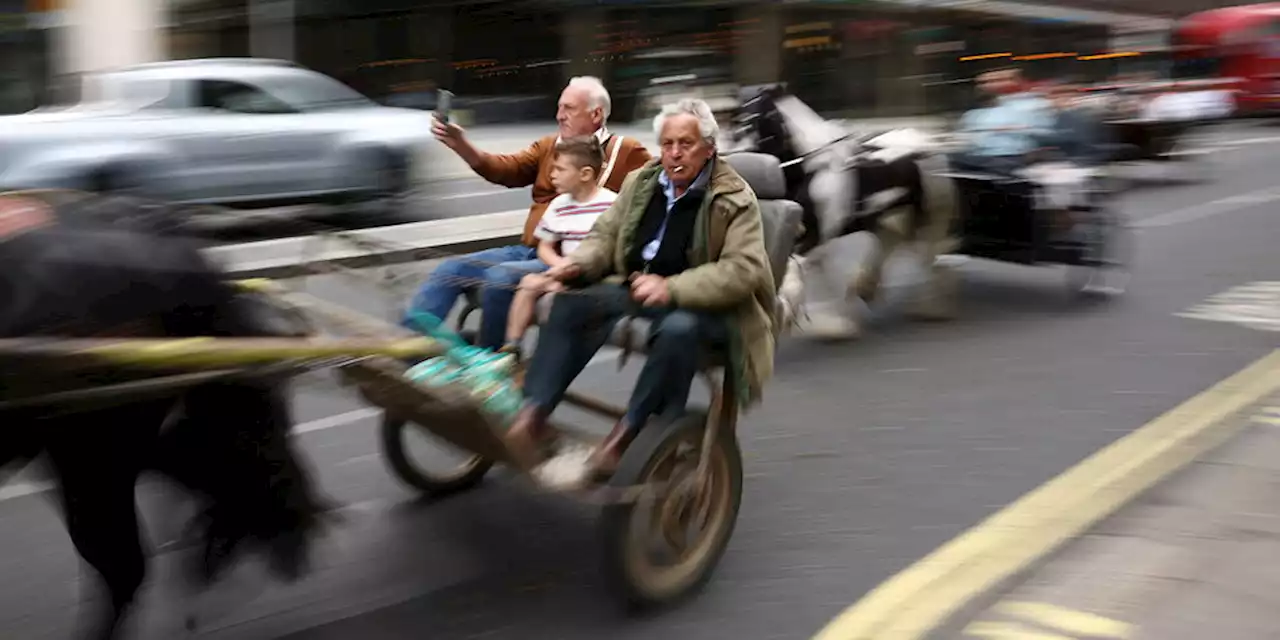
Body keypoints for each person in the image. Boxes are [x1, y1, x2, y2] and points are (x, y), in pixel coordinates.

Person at [503, 98, 776, 476]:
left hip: (706, 307)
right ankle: (532, 414)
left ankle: (626, 435)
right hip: (635, 288)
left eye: (686, 144)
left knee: (677, 330)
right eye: (667, 144)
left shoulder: (734, 198)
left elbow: (743, 270)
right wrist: (576, 266)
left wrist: (672, 288)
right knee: (572, 302)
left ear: (709, 148)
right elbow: (605, 235)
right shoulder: (642, 181)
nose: (674, 153)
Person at [406, 76, 652, 347]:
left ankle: (492, 361)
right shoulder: (549, 145)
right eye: (559, 108)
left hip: (571, 256)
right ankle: (406, 346)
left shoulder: (625, 151)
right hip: (530, 248)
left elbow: (661, 186)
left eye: (568, 108)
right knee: (449, 269)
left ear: (596, 114)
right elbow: (505, 170)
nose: (559, 116)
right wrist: (461, 145)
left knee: (498, 278)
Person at [501, 137, 617, 359]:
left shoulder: (611, 204)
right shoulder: (559, 204)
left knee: (555, 297)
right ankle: (512, 348)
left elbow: (613, 250)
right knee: (528, 283)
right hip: (564, 272)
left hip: (596, 277)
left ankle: (545, 358)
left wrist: (575, 267)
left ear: (585, 174)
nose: (552, 174)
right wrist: (560, 264)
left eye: (560, 169)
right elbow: (545, 247)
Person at [951, 68, 1056, 175]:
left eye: (998, 80)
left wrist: (1017, 129)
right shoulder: (974, 114)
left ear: (1016, 80)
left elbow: (1044, 131)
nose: (989, 85)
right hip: (982, 157)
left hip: (1018, 156)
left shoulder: (1032, 104)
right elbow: (966, 137)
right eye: (984, 82)